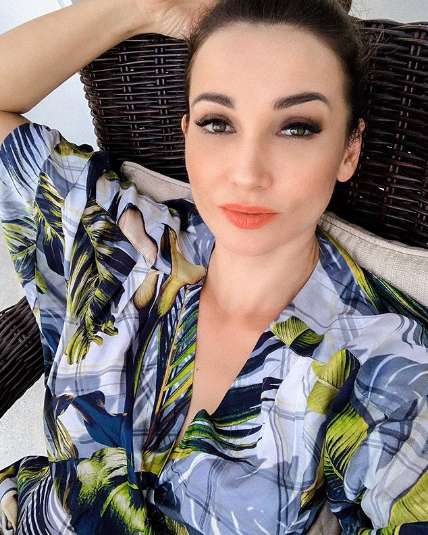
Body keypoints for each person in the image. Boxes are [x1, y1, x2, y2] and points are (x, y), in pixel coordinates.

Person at [0, 0, 427, 533]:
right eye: (217, 123)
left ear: (349, 150)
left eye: (296, 128)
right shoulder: (128, 237)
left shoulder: (388, 376)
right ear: (187, 134)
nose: (247, 173)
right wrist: (137, 9)